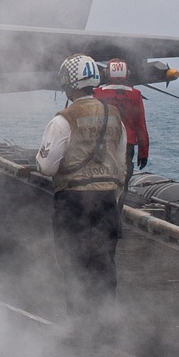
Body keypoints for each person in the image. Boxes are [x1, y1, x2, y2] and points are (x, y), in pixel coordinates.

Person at [36, 53, 127, 309]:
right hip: (107, 203)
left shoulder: (64, 119)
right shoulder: (115, 116)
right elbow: (121, 165)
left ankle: (81, 329)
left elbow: (46, 166)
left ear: (69, 85)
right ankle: (106, 323)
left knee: (74, 266)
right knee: (105, 265)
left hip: (73, 204)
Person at [93, 57, 149, 190]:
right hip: (127, 145)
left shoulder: (97, 93)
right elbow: (141, 126)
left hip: (103, 144)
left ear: (107, 74)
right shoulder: (136, 95)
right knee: (123, 180)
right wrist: (143, 153)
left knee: (101, 179)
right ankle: (119, 206)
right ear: (127, 74)